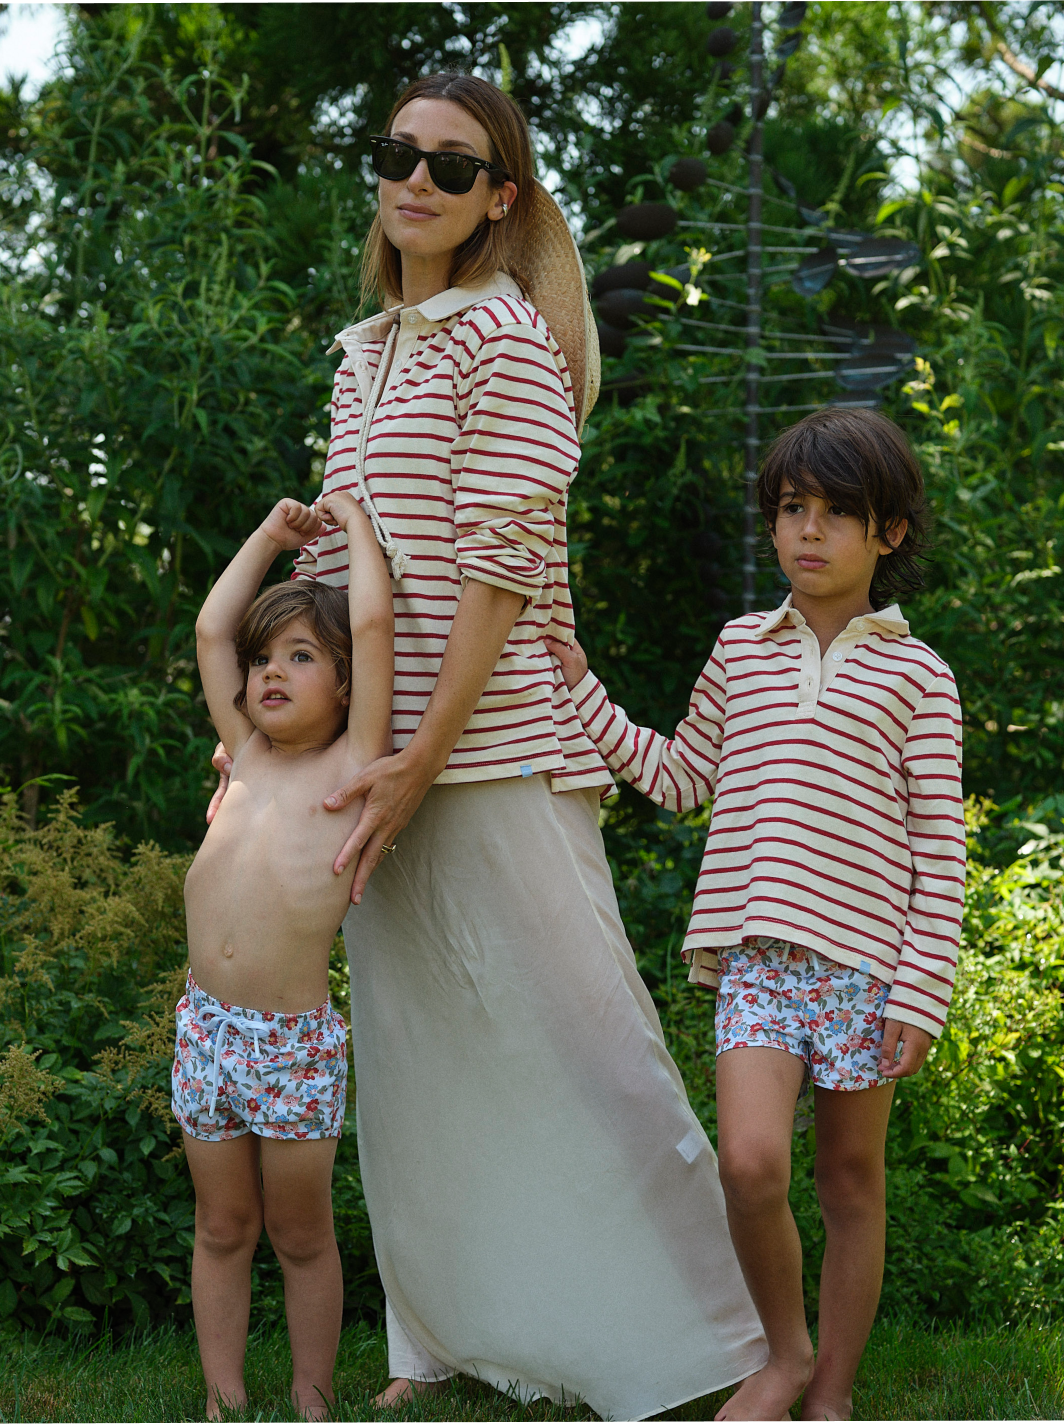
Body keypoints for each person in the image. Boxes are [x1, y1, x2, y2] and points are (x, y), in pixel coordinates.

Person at [210, 71, 766, 1421]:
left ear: (499, 198)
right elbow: (347, 577)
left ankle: (717, 1337)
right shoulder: (368, 351)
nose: (415, 180)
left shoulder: (509, 342)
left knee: (594, 1044)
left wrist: (420, 757)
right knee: (419, 1061)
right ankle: (439, 1337)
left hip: (501, 742)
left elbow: (500, 575)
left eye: (451, 167)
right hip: (373, 759)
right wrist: (308, 752)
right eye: (395, 152)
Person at [545, 407, 967, 1423]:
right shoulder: (740, 650)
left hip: (869, 971)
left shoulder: (920, 677)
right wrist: (579, 684)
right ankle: (782, 1355)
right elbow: (680, 774)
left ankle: (830, 1393)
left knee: (852, 1180)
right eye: (791, 509)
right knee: (749, 1162)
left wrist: (922, 986)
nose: (808, 530)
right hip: (758, 965)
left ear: (889, 533)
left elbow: (942, 853)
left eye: (835, 512)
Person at [176, 491, 394, 1421]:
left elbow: (376, 622)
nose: (268, 672)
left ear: (345, 685)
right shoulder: (248, 752)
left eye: (300, 657)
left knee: (301, 1233)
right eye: (265, 660)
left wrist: (356, 532)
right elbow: (210, 627)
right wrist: (270, 535)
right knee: (223, 1224)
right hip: (204, 1026)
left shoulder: (353, 769)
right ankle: (222, 1397)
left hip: (290, 1043)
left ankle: (312, 1399)